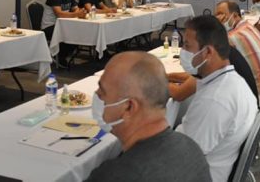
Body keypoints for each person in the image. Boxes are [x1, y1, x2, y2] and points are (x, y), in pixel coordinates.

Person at [85, 51, 211, 182]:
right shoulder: (191, 148)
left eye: (102, 92)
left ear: (129, 107)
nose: (97, 95)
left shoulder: (116, 175)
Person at [175, 16, 257, 182]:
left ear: (208, 52)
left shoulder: (215, 100)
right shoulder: (232, 81)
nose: (182, 51)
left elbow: (182, 157)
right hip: (210, 162)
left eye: (187, 46)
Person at [215, 0, 260, 109]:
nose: (218, 19)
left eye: (221, 14)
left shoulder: (233, 37)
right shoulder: (248, 27)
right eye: (216, 15)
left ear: (235, 16)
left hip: (259, 103)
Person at [40, 0, 86, 66]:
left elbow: (76, 9)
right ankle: (59, 56)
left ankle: (63, 55)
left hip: (63, 25)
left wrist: (79, 12)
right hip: (50, 26)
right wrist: (76, 14)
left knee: (79, 34)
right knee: (70, 35)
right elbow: (59, 14)